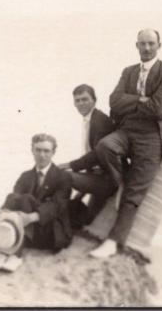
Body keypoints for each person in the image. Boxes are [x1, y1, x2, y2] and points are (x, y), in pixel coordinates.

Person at [89, 29, 162, 259]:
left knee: (134, 195)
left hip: (152, 138)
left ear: (159, 45)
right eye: (142, 44)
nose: (147, 48)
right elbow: (113, 100)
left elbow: (159, 109)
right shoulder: (128, 72)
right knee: (105, 147)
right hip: (127, 131)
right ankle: (119, 180)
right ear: (136, 46)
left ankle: (113, 242)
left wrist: (129, 102)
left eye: (151, 44)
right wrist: (141, 100)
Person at [0, 133, 72, 273]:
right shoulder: (25, 176)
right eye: (38, 150)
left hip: (51, 232)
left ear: (53, 153)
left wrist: (31, 217)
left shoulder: (63, 177)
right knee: (14, 197)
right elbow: (14, 198)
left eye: (46, 151)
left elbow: (58, 205)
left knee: (26, 198)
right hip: (29, 232)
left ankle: (14, 254)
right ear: (32, 151)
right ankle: (5, 253)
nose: (42, 155)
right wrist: (4, 211)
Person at [58, 84, 117, 228]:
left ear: (94, 100)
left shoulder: (100, 121)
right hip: (96, 176)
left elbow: (97, 155)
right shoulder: (90, 119)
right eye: (77, 100)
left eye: (84, 99)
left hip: (106, 181)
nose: (81, 103)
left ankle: (58, 214)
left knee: (62, 175)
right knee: (87, 221)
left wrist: (70, 165)